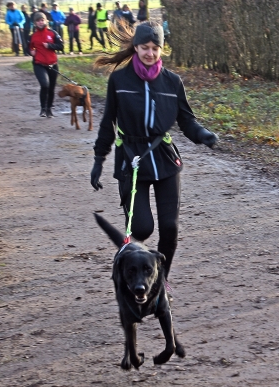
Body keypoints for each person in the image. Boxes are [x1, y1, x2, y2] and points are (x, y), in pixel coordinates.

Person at [90, 21, 218, 284]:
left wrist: (202, 134)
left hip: (164, 158)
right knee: (142, 229)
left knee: (170, 227)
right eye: (145, 47)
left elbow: (187, 121)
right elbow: (108, 123)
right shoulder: (120, 80)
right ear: (136, 47)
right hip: (131, 160)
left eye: (155, 48)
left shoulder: (172, 82)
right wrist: (99, 159)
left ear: (161, 49)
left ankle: (161, 281)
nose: (150, 53)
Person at [28, 12, 63, 118]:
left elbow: (61, 46)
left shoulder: (53, 33)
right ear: (35, 23)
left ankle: (49, 109)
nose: (40, 22)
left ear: (46, 21)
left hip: (52, 64)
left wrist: (49, 45)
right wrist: (31, 51)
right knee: (45, 85)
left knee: (51, 88)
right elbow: (28, 47)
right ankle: (43, 108)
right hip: (39, 64)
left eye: (42, 20)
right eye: (38, 21)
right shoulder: (33, 36)